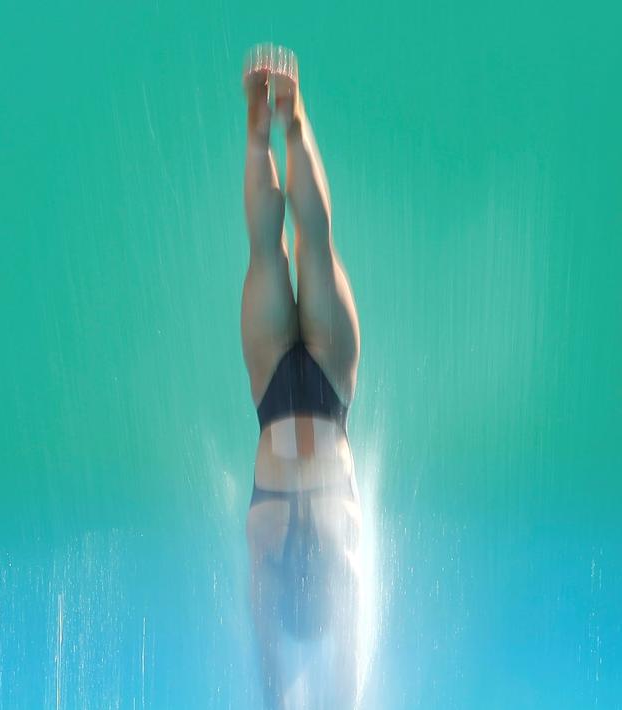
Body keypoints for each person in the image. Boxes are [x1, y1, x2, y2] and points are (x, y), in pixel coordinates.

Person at [240, 44, 364, 709]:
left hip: (320, 393)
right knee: (277, 247)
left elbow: (290, 670)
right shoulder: (267, 559)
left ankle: (284, 121)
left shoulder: (335, 561)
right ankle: (267, 124)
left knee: (306, 246)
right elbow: (272, 664)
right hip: (279, 398)